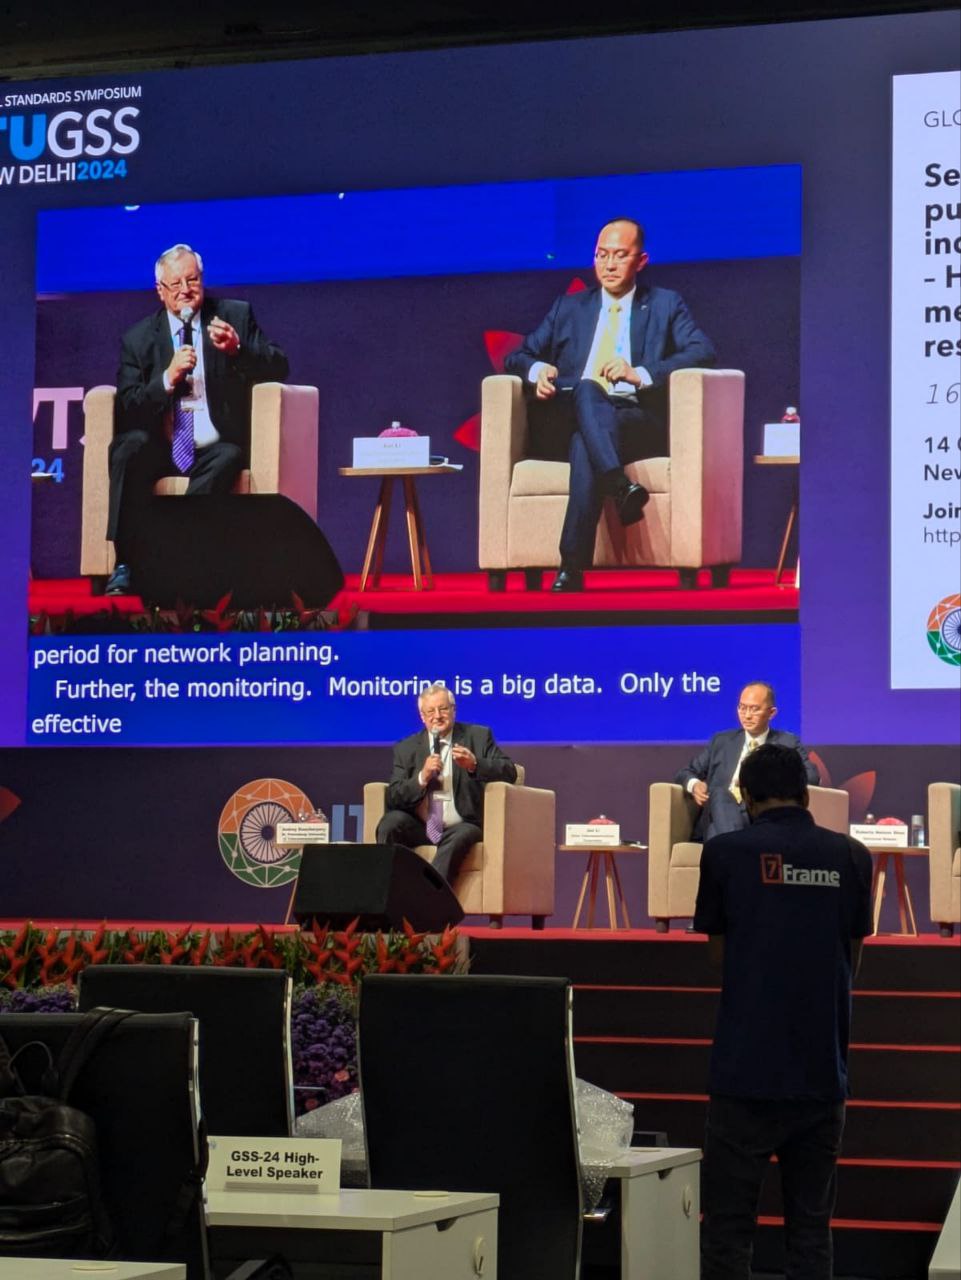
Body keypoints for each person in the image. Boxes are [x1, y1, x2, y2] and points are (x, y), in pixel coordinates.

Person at [693, 744, 873, 1280]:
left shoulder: (723, 853)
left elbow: (719, 957)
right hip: (820, 1072)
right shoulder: (851, 856)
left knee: (727, 1231)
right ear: (806, 795)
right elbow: (852, 960)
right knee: (811, 1232)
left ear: (746, 797)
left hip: (743, 1072)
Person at [504, 217, 715, 592]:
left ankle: (571, 567)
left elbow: (702, 351)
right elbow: (518, 356)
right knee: (587, 389)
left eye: (620, 255)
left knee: (585, 442)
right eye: (602, 255)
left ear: (641, 260)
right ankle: (620, 487)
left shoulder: (665, 304)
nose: (609, 265)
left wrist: (641, 373)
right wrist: (538, 371)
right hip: (570, 412)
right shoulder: (568, 307)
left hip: (632, 419)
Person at [104, 242, 290, 595]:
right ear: (160, 291)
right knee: (127, 447)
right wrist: (166, 379)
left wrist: (238, 350)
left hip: (215, 444)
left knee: (228, 456)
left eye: (193, 280)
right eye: (176, 284)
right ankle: (125, 563)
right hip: (162, 445)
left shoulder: (234, 316)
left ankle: (180, 554)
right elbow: (128, 407)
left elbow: (279, 366)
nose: (186, 290)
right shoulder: (138, 339)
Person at [376, 682, 517, 884]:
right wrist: (422, 777)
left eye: (443, 709)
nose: (437, 716)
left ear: (453, 710)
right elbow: (394, 797)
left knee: (458, 837)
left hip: (463, 824)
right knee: (390, 824)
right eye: (430, 711)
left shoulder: (478, 736)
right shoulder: (406, 748)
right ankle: (389, 892)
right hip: (421, 826)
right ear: (422, 716)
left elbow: (510, 771)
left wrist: (475, 764)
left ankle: (430, 896)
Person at [674, 681, 819, 840]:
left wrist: (770, 781)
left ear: (771, 713)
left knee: (716, 834)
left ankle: (733, 846)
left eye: (754, 709)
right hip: (719, 812)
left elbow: (812, 777)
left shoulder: (787, 743)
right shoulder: (722, 741)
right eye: (742, 708)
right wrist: (694, 784)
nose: (747, 715)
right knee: (720, 795)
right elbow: (685, 773)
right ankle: (739, 845)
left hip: (758, 815)